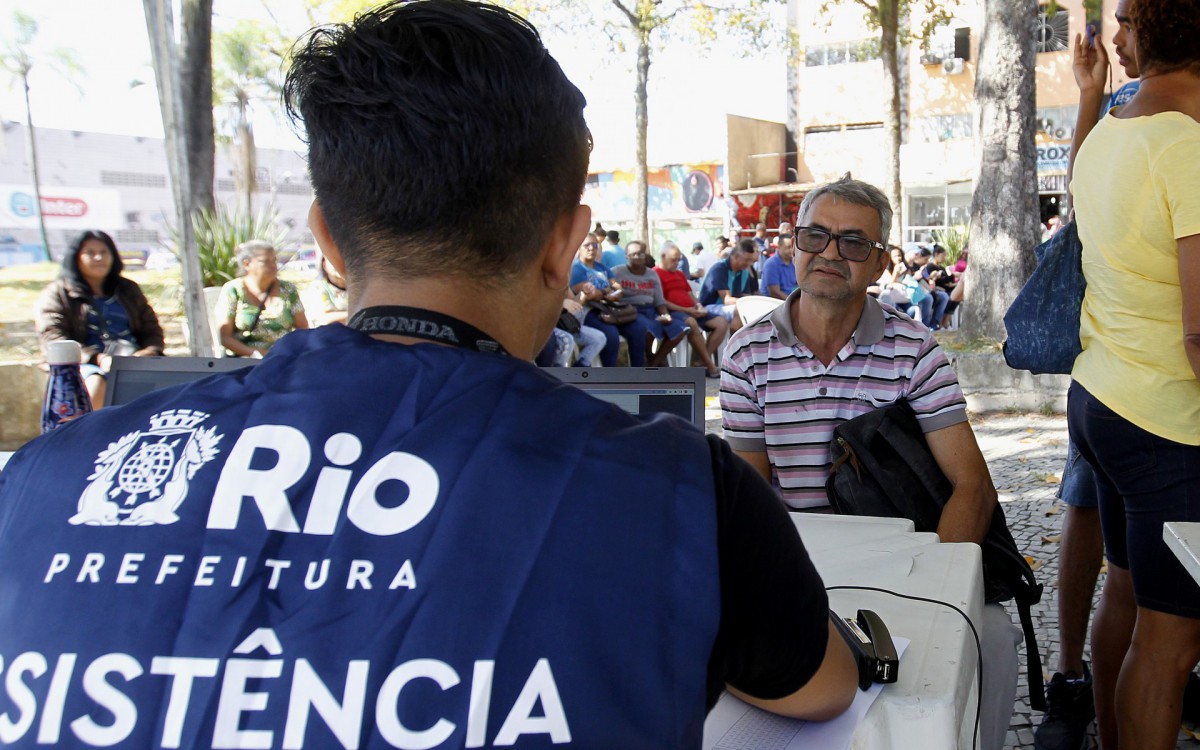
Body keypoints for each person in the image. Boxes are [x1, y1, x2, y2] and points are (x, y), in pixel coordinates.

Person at [0, 2, 857, 746]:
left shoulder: (45, 479)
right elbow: (821, 688)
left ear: (328, 241)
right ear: (564, 244)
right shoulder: (679, 492)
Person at [719, 176, 1020, 750]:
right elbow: (748, 494)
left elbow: (971, 486)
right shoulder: (745, 355)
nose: (831, 253)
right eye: (817, 236)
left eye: (855, 243)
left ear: (879, 263)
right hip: (797, 564)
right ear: (794, 245)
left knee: (995, 641)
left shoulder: (915, 351)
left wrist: (943, 589)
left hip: (903, 563)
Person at [1067, 0, 1200, 746]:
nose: (1112, 33)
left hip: (1107, 399)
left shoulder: (1115, 128)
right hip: (1169, 428)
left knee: (1130, 592)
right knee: (1172, 645)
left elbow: (1087, 196)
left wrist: (1088, 98)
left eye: (1123, 17)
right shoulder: (1185, 145)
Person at [1034, 4, 1144, 747]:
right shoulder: (1123, 103)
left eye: (1131, 20)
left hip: (1138, 365)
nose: (1114, 35)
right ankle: (1075, 674)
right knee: (1087, 506)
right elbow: (1080, 195)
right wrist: (1086, 95)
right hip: (1118, 359)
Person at [34, 229, 165, 408]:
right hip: (82, 365)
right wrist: (98, 359)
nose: (98, 258)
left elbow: (152, 329)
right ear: (76, 257)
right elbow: (53, 338)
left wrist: (149, 352)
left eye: (104, 252)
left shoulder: (128, 289)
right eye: (90, 253)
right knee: (96, 384)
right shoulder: (58, 293)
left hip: (133, 361)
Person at [217, 239, 309, 357]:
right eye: (265, 261)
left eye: (274, 261)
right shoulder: (233, 290)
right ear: (247, 264)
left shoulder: (287, 289)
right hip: (245, 360)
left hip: (282, 358)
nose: (273, 266)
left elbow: (303, 329)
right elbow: (225, 337)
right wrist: (257, 354)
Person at [570, 237, 650, 366]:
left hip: (611, 309)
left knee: (638, 328)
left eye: (594, 245)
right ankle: (609, 377)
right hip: (590, 311)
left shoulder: (601, 267)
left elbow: (619, 288)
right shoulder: (576, 268)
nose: (591, 248)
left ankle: (637, 374)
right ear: (579, 247)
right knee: (611, 334)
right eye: (587, 245)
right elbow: (589, 293)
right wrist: (607, 292)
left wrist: (610, 292)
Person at [611, 240, 689, 367]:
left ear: (646, 256)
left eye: (641, 254)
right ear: (626, 256)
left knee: (680, 329)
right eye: (633, 254)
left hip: (651, 310)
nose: (637, 257)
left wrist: (665, 315)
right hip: (631, 311)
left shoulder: (652, 274)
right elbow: (607, 289)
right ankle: (648, 357)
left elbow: (659, 300)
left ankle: (654, 362)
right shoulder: (617, 272)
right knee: (646, 329)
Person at [655, 243, 728, 377]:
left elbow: (689, 294)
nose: (677, 263)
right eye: (674, 260)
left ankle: (701, 361)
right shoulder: (655, 273)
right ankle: (711, 366)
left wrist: (699, 306)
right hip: (675, 312)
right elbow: (661, 301)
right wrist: (687, 310)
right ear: (663, 257)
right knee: (691, 323)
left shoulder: (679, 274)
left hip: (692, 310)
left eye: (679, 260)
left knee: (721, 322)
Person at [698, 238, 759, 332]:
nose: (749, 263)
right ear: (736, 257)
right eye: (747, 260)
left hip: (729, 308)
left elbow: (745, 295)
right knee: (739, 310)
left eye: (751, 260)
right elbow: (726, 300)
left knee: (754, 310)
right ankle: (735, 344)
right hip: (708, 308)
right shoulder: (719, 268)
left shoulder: (744, 272)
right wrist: (747, 303)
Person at [305, 252, 349, 326]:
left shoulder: (359, 287)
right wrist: (354, 314)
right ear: (324, 265)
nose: (338, 264)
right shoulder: (317, 288)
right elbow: (323, 320)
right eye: (332, 261)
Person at [761, 226, 797, 300]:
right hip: (774, 304)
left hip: (789, 300)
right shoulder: (771, 264)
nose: (791, 250)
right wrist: (793, 302)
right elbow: (775, 293)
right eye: (788, 247)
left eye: (793, 247)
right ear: (779, 247)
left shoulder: (794, 262)